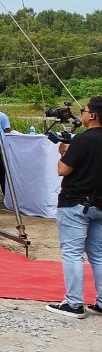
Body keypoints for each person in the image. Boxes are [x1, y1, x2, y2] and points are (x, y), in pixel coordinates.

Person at [46, 96, 102, 318]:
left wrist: (64, 152)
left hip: (76, 202)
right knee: (98, 255)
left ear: (93, 116)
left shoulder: (82, 140)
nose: (82, 114)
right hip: (99, 203)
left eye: (85, 111)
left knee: (72, 253)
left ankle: (74, 303)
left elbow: (63, 170)